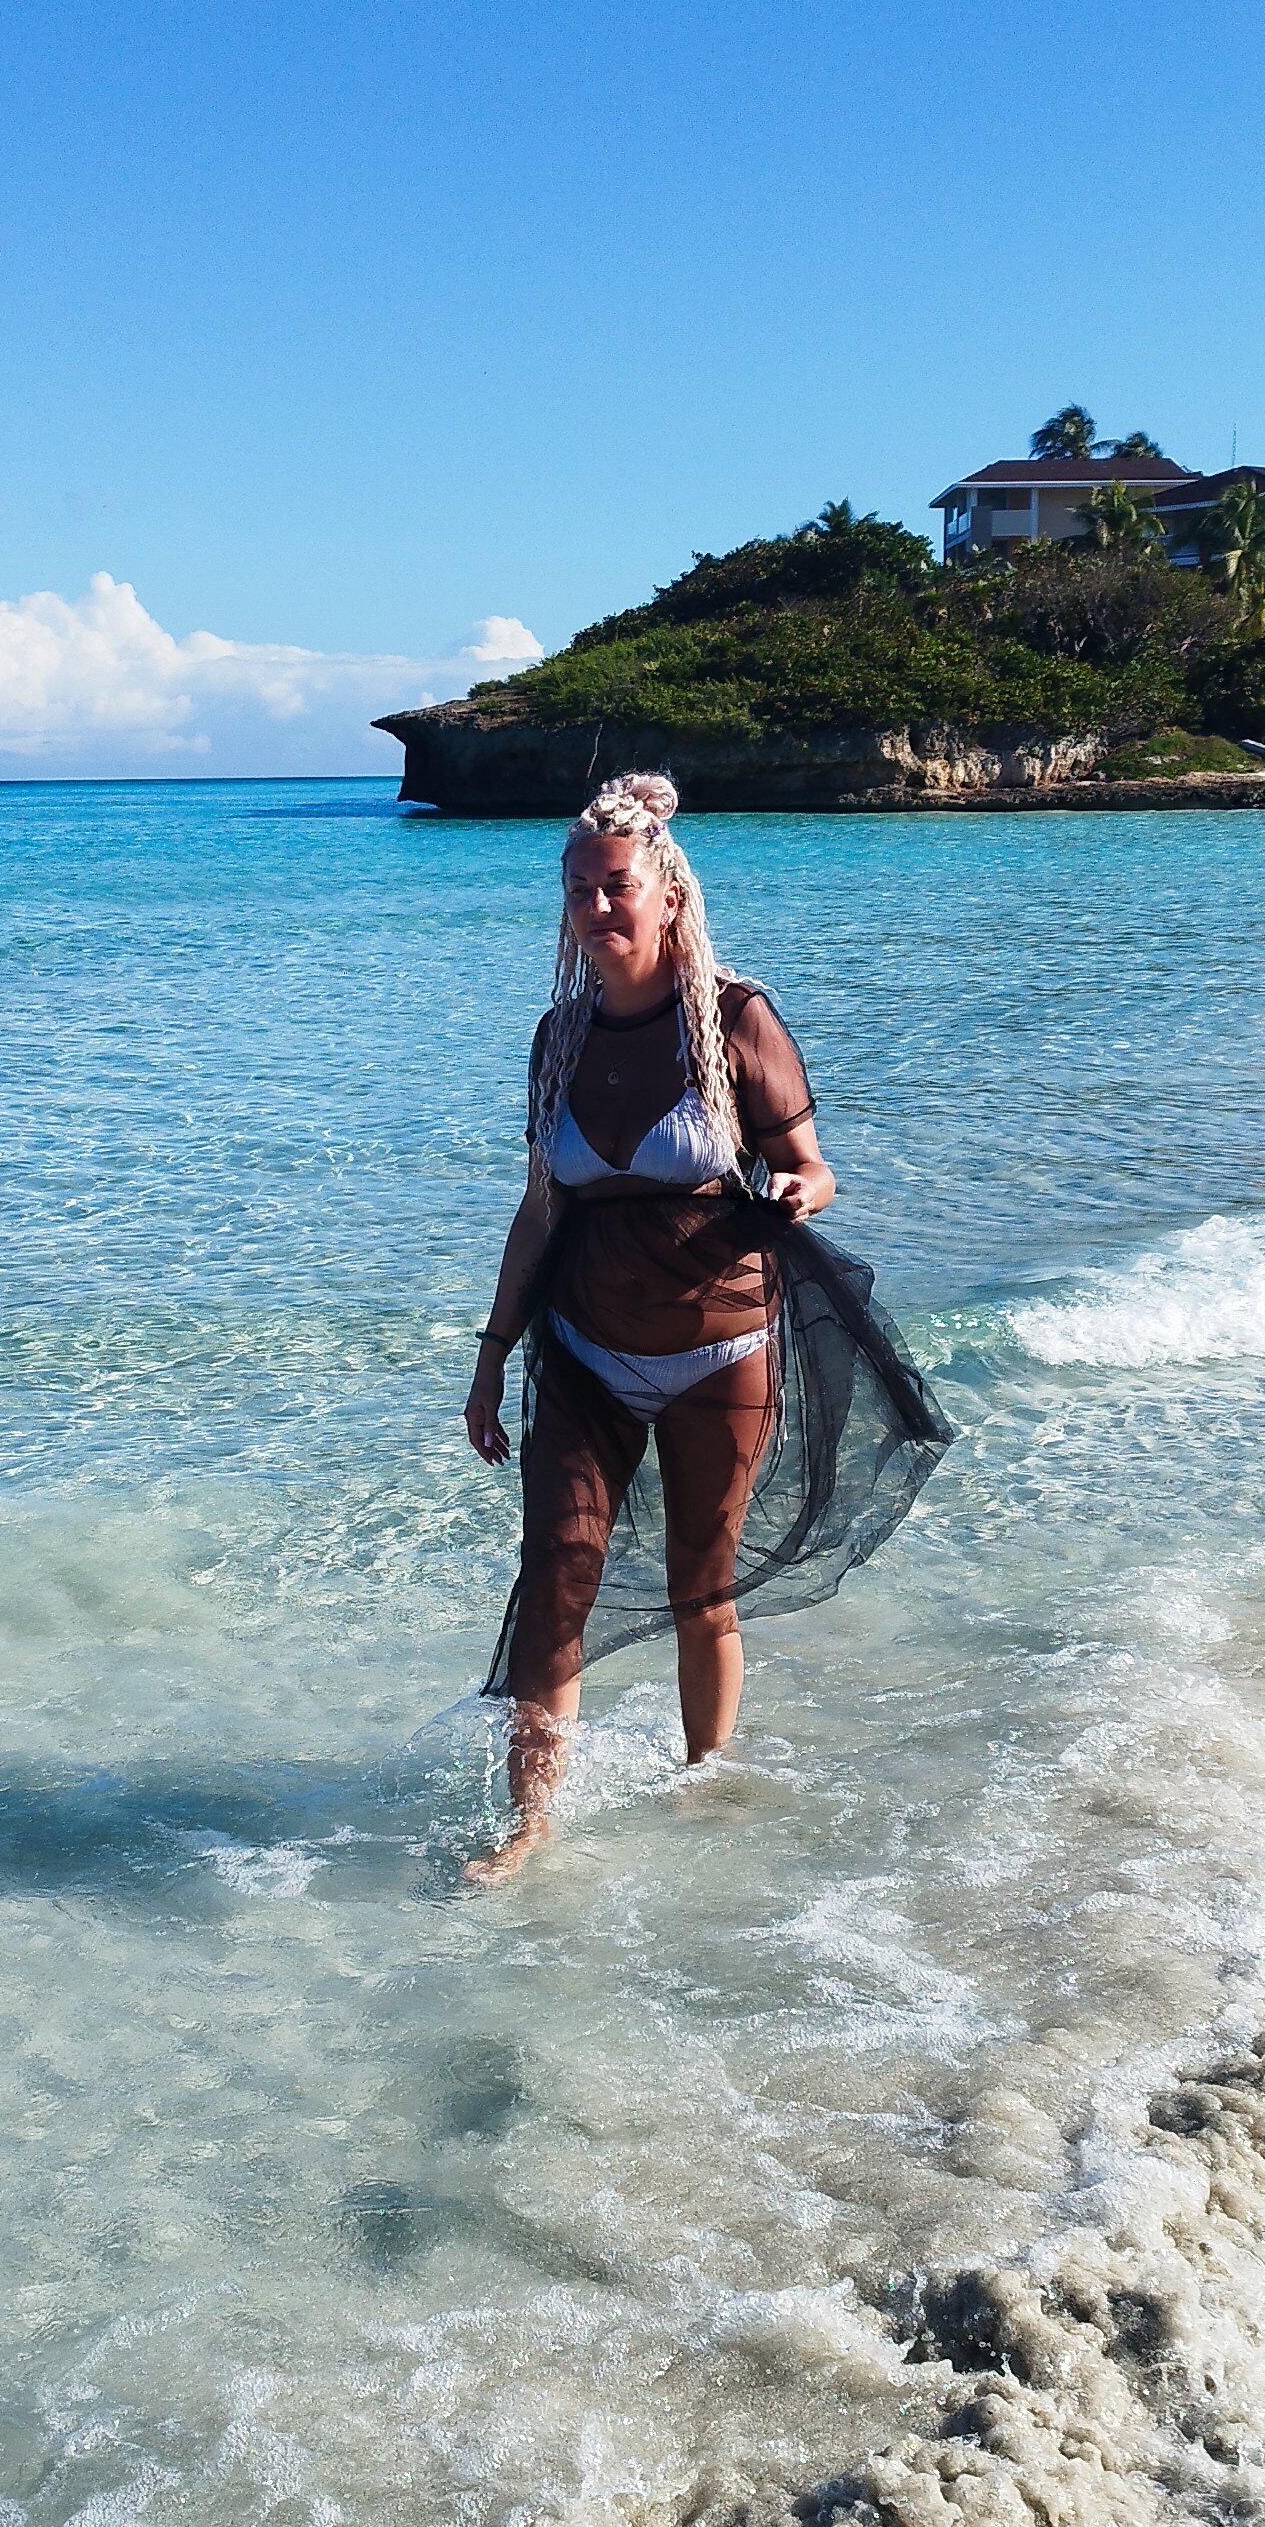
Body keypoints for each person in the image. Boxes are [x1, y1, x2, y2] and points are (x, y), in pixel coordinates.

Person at [459, 777, 893, 1884]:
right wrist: (493, 1350)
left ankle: (704, 1785)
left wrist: (801, 1195)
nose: (598, 910)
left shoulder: (735, 1017)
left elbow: (812, 1166)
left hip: (721, 1346)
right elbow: (539, 1207)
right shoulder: (557, 1038)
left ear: (665, 894)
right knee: (556, 1571)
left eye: (617, 889)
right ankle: (531, 1824)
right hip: (585, 1347)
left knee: (705, 1586)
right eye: (580, 894)